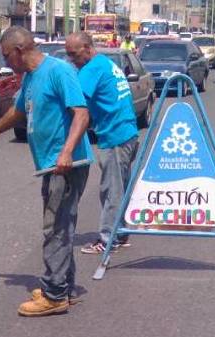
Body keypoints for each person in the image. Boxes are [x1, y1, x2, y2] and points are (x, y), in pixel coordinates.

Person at [0, 26, 92, 317]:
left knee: (55, 227)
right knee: (61, 225)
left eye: (6, 56)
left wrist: (66, 152)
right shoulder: (30, 78)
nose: (6, 63)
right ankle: (63, 286)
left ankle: (54, 296)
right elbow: (18, 111)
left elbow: (81, 113)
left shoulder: (59, 71)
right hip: (50, 165)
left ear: (18, 51)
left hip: (65, 165)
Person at [65, 32, 139, 255]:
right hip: (127, 131)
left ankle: (108, 239)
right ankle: (121, 232)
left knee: (111, 190)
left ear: (88, 48)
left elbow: (77, 104)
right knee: (121, 187)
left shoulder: (91, 70)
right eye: (68, 55)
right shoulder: (105, 63)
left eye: (74, 54)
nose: (71, 59)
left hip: (115, 135)